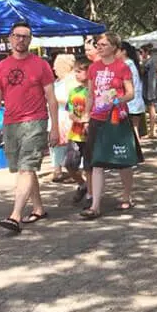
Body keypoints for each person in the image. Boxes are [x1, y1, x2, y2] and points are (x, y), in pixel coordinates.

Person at [0, 21, 59, 233]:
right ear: (10, 38)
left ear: (30, 40)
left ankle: (15, 215)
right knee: (24, 168)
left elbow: (51, 98)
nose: (20, 40)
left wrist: (55, 127)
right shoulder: (1, 66)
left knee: (26, 168)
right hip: (11, 123)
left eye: (25, 36)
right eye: (17, 35)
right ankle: (39, 208)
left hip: (35, 121)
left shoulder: (41, 65)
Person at [80, 33, 142, 219]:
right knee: (96, 161)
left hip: (117, 118)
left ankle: (127, 195)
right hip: (97, 118)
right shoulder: (93, 68)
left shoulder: (122, 67)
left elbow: (131, 93)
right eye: (98, 44)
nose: (100, 47)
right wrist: (86, 117)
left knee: (123, 160)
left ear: (114, 47)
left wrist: (118, 100)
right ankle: (95, 205)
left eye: (104, 44)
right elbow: (90, 94)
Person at [65, 58, 92, 206]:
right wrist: (76, 118)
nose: (77, 74)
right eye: (75, 71)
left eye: (80, 71)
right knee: (69, 164)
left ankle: (91, 195)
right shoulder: (74, 91)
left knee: (89, 167)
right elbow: (70, 111)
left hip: (89, 135)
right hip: (75, 133)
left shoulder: (94, 92)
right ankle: (83, 185)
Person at [51, 54, 76, 182]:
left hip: (66, 115)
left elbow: (73, 100)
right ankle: (57, 170)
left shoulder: (71, 80)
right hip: (56, 115)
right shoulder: (57, 81)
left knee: (68, 145)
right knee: (56, 144)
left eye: (56, 66)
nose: (54, 68)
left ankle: (73, 170)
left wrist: (55, 100)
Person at [120, 41, 145, 140]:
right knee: (134, 129)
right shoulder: (133, 63)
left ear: (124, 52)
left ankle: (134, 151)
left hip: (130, 103)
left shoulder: (126, 65)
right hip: (136, 102)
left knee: (130, 131)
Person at [139, 44, 157, 139]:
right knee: (150, 109)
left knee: (151, 109)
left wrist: (140, 62)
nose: (140, 54)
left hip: (148, 88)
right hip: (150, 87)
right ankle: (152, 130)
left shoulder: (148, 62)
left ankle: (152, 130)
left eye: (141, 52)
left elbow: (141, 71)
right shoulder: (150, 61)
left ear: (146, 52)